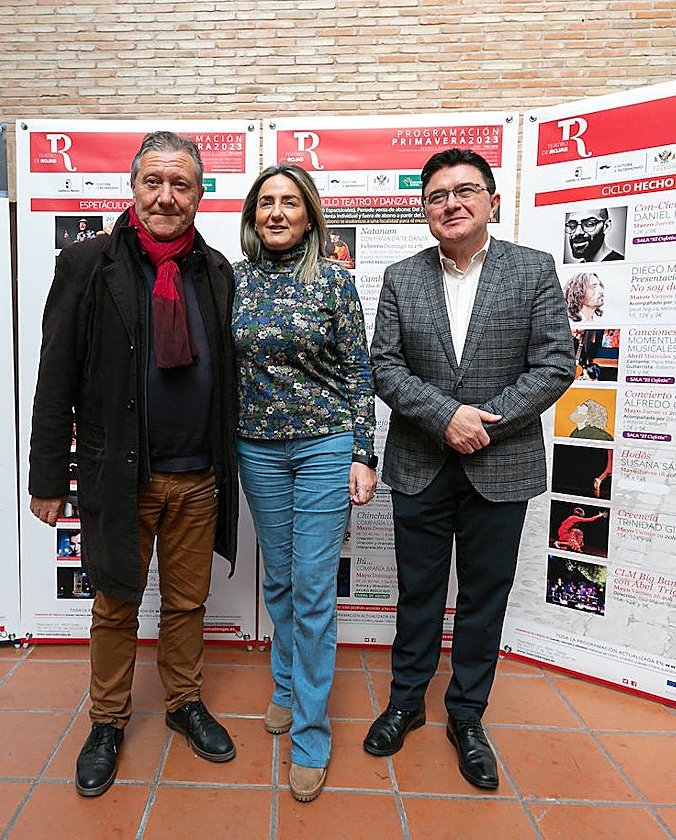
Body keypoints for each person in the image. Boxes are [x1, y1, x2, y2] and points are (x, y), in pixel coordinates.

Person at [28, 131, 240, 799]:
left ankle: (182, 703)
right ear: (133, 187)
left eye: (181, 184)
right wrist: (45, 478)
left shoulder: (216, 271)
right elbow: (54, 377)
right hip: (120, 473)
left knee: (187, 602)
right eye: (154, 181)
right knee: (115, 603)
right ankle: (108, 721)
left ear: (200, 194)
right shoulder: (87, 263)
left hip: (199, 475)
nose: (166, 197)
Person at [366, 148, 573, 790]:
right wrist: (445, 416)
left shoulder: (533, 271)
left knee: (484, 597)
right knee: (418, 593)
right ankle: (406, 704)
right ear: (423, 208)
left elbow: (555, 364)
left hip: (501, 463)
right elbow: (385, 365)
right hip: (421, 460)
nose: (450, 203)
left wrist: (483, 421)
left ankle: (467, 716)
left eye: (464, 191)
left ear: (492, 201)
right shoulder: (403, 277)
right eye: (436, 195)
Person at [231, 164, 376, 802]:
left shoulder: (335, 284)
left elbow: (358, 371)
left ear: (311, 214)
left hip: (324, 447)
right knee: (281, 577)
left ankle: (311, 736)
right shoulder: (233, 282)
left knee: (314, 589)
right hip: (257, 449)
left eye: (291, 202)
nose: (278, 213)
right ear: (252, 215)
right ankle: (285, 687)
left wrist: (363, 453)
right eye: (267, 203)